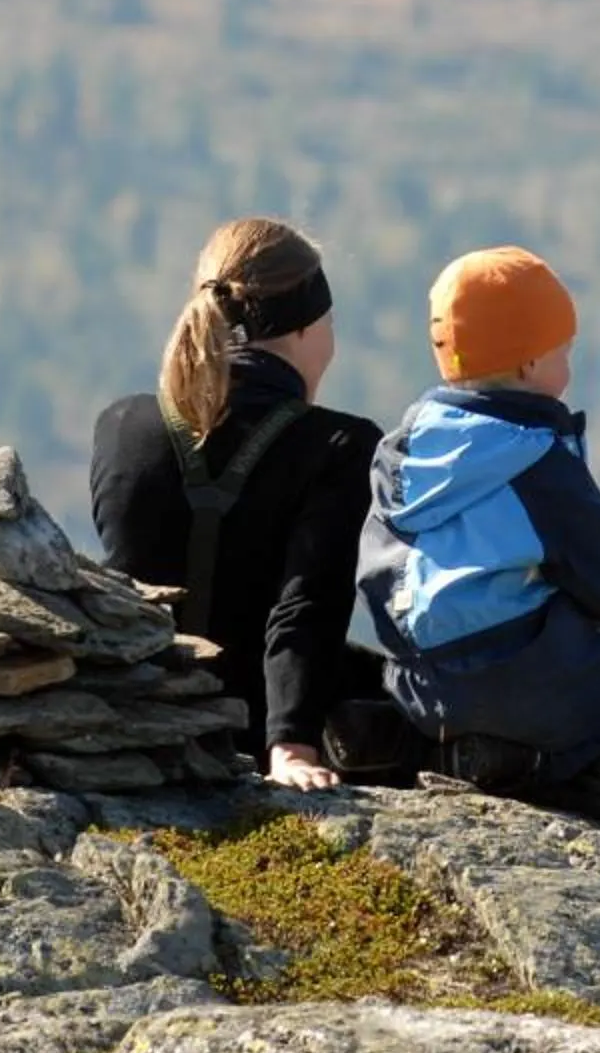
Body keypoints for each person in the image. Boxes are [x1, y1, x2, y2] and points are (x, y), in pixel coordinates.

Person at [356, 245, 600, 787]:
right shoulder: (529, 457)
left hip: (416, 682)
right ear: (530, 363)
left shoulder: (399, 454)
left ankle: (439, 739)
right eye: (563, 350)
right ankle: (526, 764)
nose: (569, 364)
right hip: (512, 681)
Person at [89, 217, 382, 791]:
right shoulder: (339, 448)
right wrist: (291, 746)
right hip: (252, 730)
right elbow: (306, 607)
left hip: (133, 723)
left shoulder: (123, 427)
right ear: (303, 329)